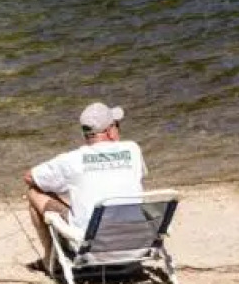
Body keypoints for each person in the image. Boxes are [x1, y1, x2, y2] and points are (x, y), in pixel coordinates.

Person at [24, 101, 147, 269]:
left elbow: (30, 177)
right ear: (110, 131)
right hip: (137, 244)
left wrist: (62, 187)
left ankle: (50, 259)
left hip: (92, 248)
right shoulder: (133, 150)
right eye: (117, 125)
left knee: (34, 192)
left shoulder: (72, 160)